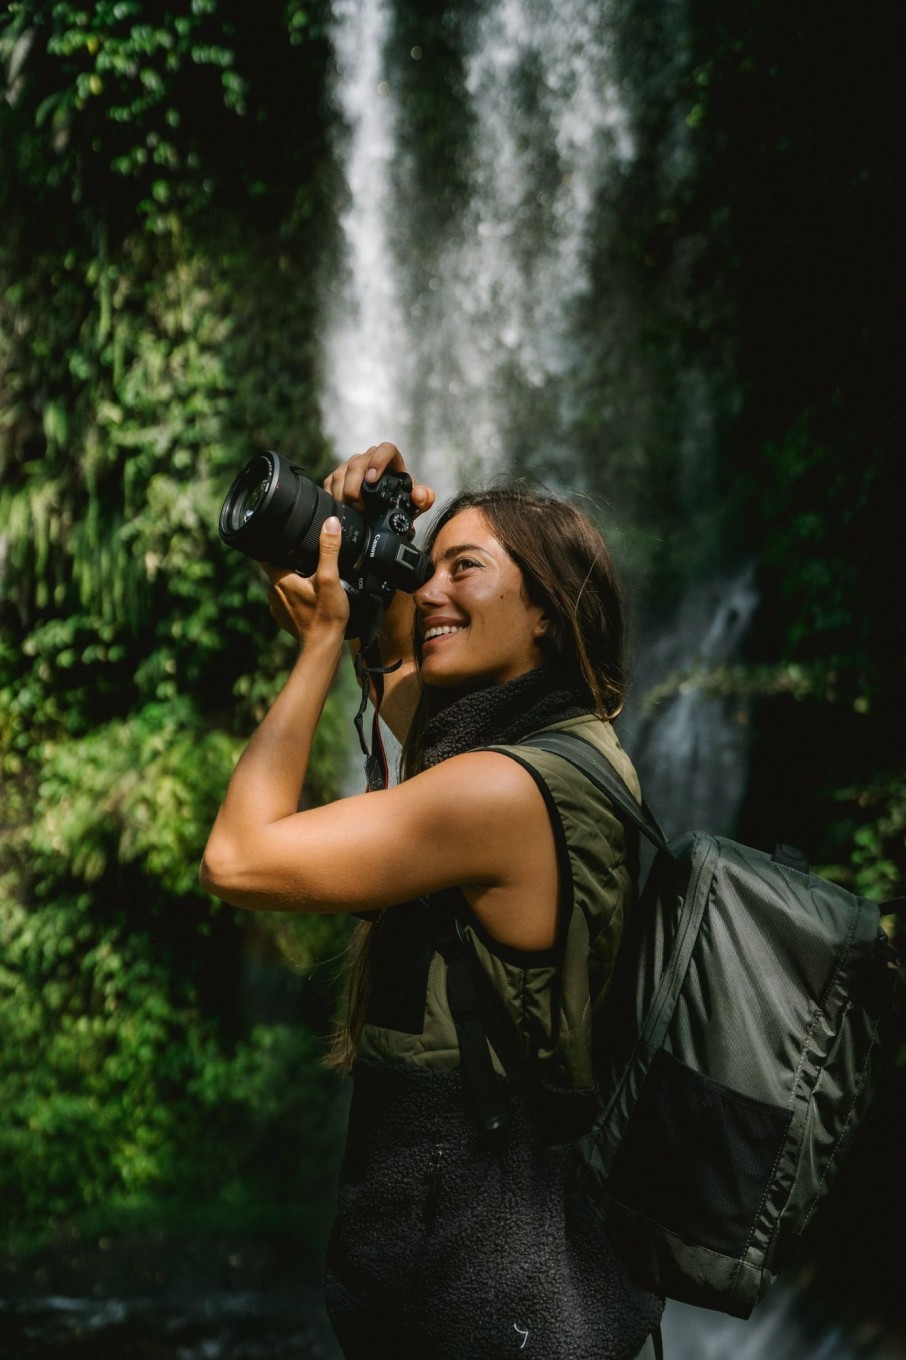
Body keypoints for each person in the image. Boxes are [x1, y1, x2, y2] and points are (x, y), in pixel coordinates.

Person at [201, 443, 664, 1360]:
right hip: (509, 1261)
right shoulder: (566, 749)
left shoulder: (497, 795)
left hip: (491, 1282)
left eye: (466, 569)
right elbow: (407, 682)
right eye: (428, 564)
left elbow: (238, 857)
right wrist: (340, 552)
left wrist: (319, 648)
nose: (432, 592)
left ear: (546, 612)